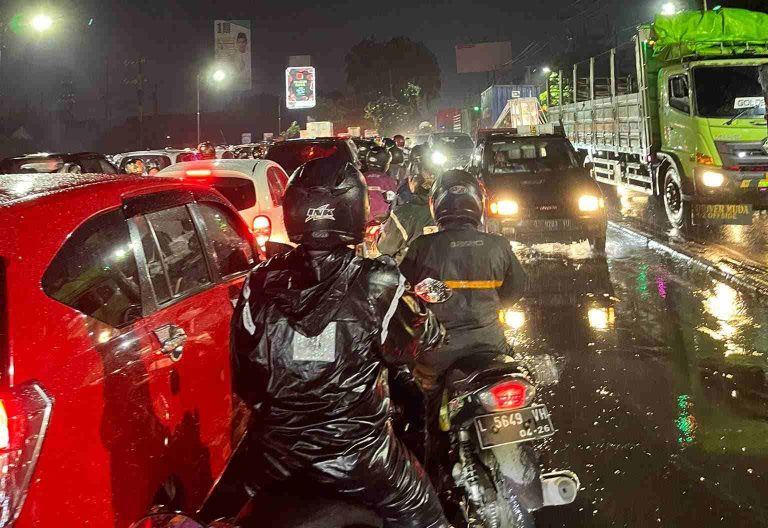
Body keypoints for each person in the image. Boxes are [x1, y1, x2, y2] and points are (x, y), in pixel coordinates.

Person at [230, 153, 451, 528]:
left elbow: (244, 378)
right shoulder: (380, 281)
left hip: (273, 460)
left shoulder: (259, 282)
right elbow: (416, 340)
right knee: (429, 519)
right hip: (361, 458)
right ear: (354, 209)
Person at [398, 168, 526, 421]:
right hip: (492, 345)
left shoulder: (422, 246)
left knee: (419, 405)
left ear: (436, 205)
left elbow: (403, 295)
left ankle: (431, 438)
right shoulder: (498, 245)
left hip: (437, 353)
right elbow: (516, 290)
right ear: (478, 203)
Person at [376, 157, 437, 263]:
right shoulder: (451, 209)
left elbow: (385, 248)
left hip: (413, 269)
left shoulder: (402, 213)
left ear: (411, 181)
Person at [363, 145, 398, 223]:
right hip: (380, 221)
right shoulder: (388, 180)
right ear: (385, 163)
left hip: (361, 218)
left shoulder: (361, 177)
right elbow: (393, 202)